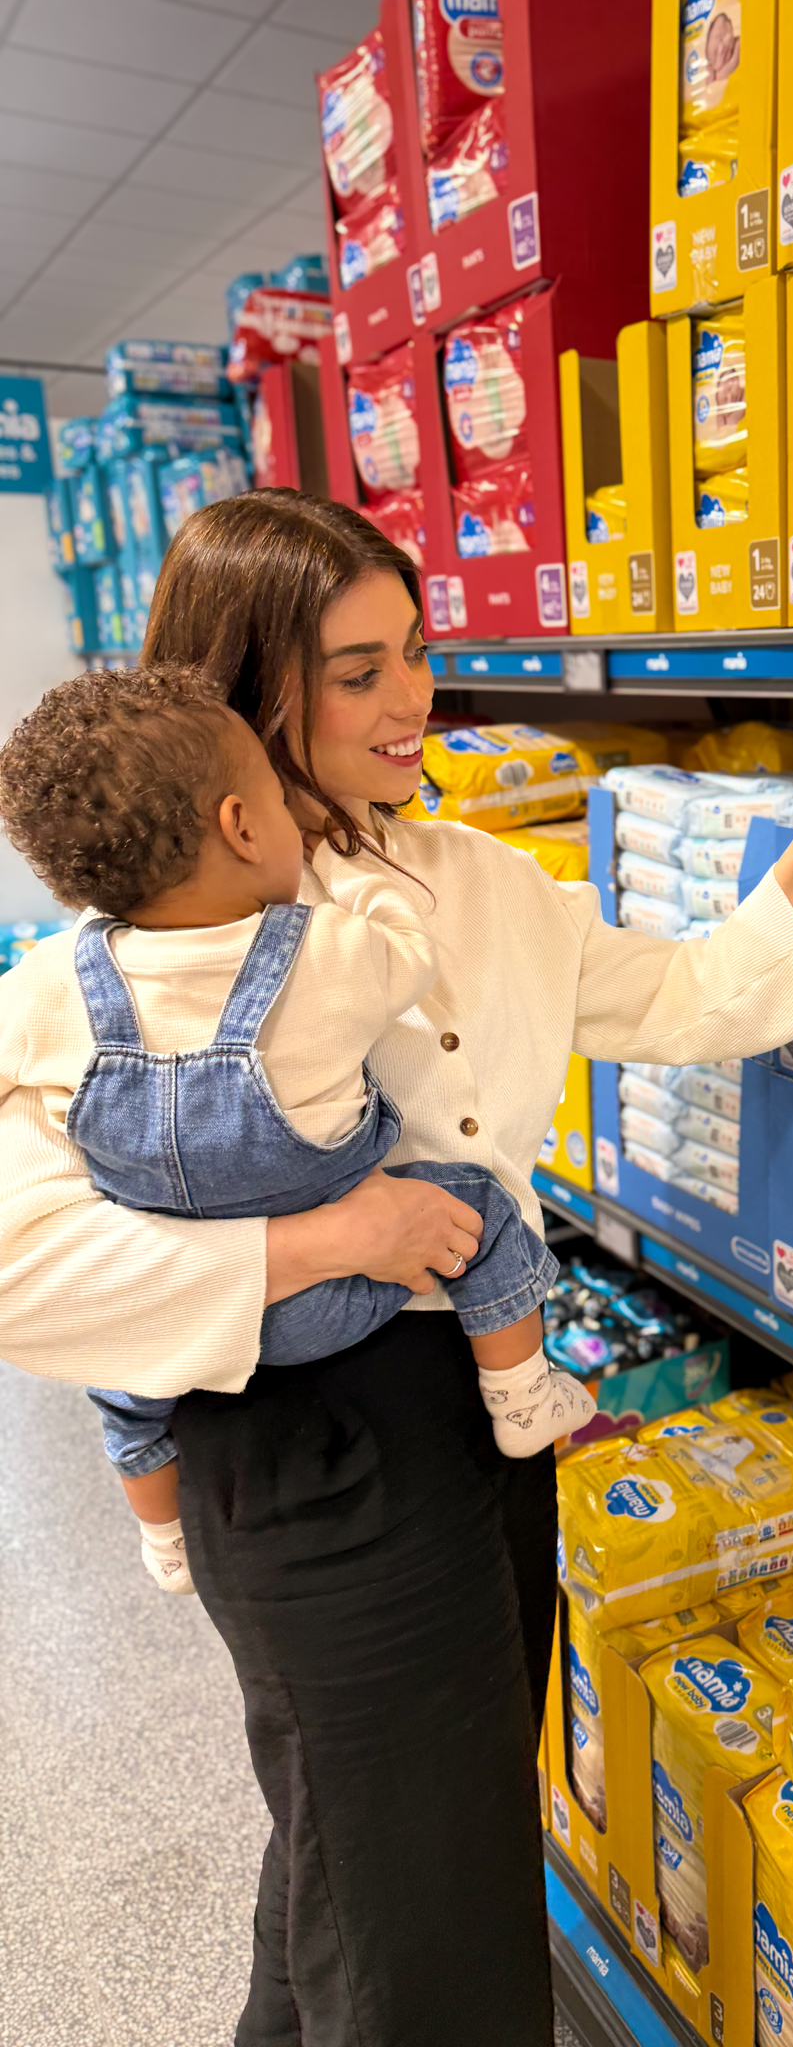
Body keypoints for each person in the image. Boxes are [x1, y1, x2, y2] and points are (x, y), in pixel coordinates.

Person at [0, 487, 793, 2046]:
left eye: (419, 652)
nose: (417, 700)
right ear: (257, 698)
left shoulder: (477, 883)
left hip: (483, 1406)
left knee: (369, 1854)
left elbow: (678, 997)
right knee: (424, 1914)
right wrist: (326, 1238)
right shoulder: (134, 958)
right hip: (297, 1435)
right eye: (361, 670)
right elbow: (21, 1265)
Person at [0, 667, 592, 1597]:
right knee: (479, 1207)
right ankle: (522, 1396)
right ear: (243, 825)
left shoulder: (46, 987)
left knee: (120, 1389)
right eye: (279, 802)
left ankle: (164, 1541)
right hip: (353, 1295)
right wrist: (364, 881)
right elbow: (410, 954)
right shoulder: (325, 955)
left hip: (191, 1331)